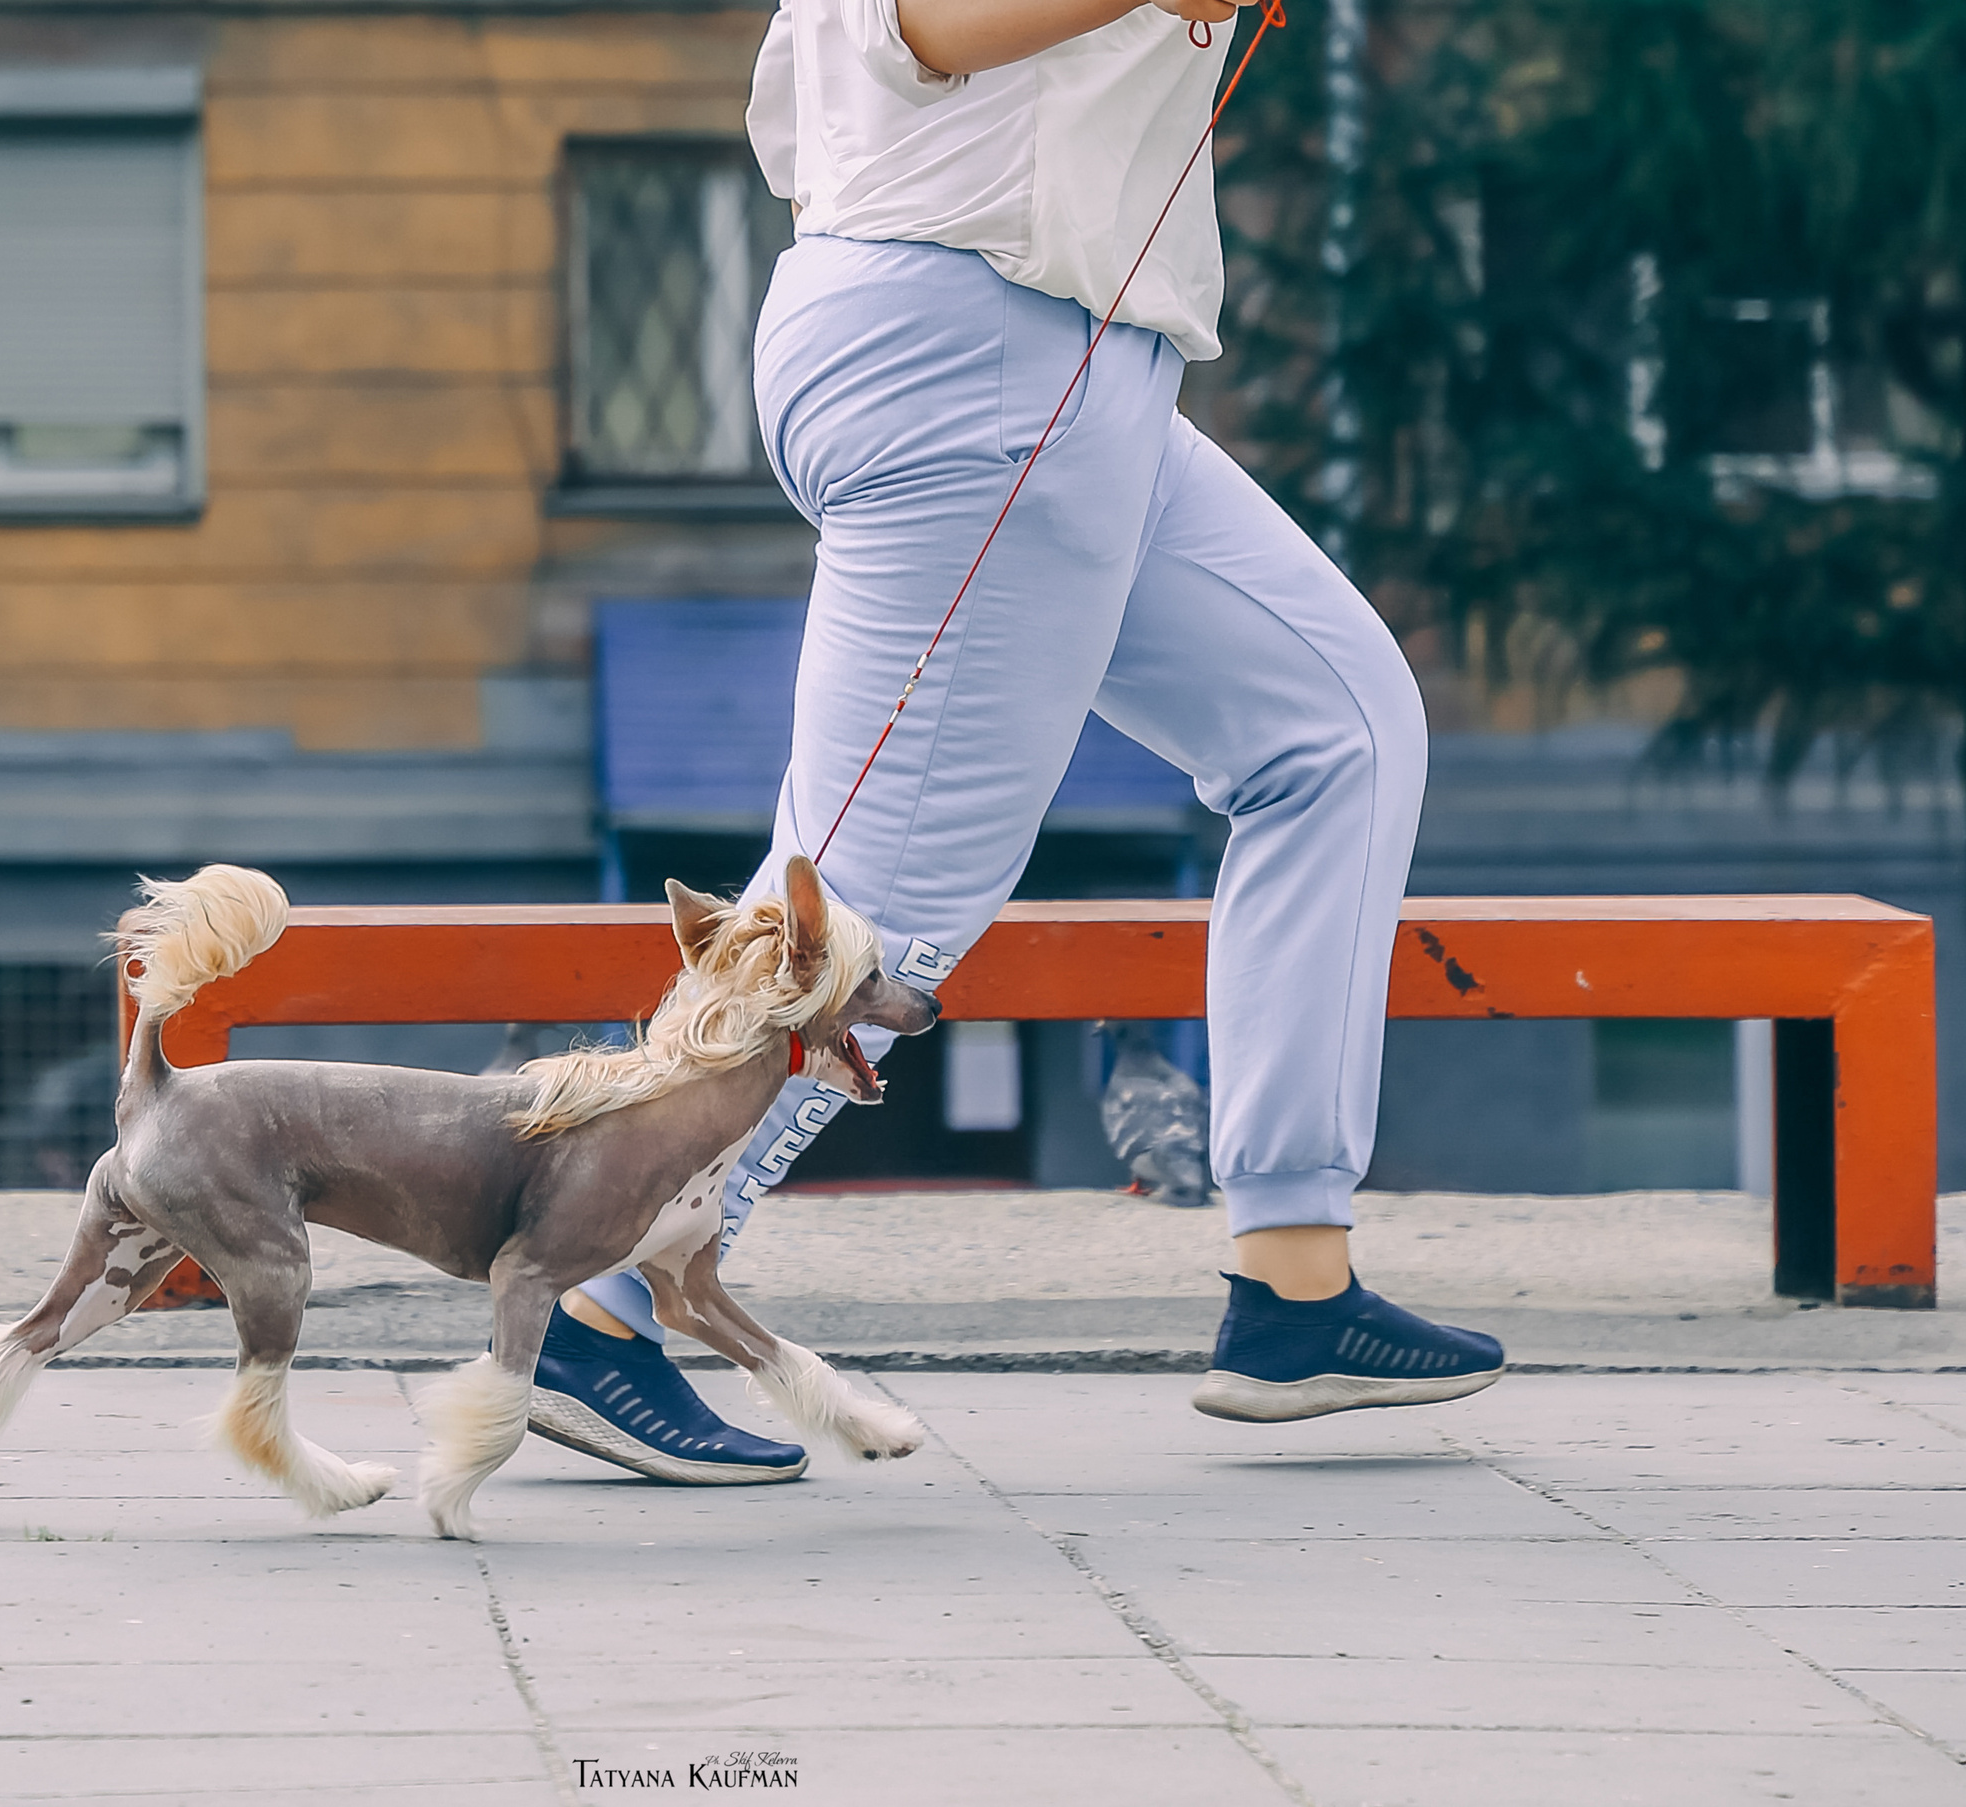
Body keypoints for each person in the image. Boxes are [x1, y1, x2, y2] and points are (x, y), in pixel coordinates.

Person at [524, 0, 1505, 1485]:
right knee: (869, 912)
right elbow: (938, 23)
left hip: (1051, 356)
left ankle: (1296, 1279)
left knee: (1336, 729)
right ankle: (596, 1298)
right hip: (982, 357)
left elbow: (811, 123)